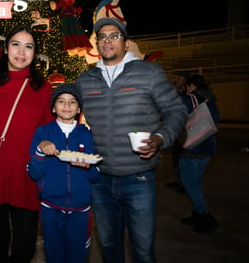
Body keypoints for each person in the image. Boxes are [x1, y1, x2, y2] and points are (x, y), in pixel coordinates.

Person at [75, 17, 188, 263]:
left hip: (139, 177)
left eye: (114, 36)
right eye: (102, 36)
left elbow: (177, 111)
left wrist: (160, 137)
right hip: (100, 179)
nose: (107, 41)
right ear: (96, 44)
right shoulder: (85, 80)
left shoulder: (149, 73)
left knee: (143, 249)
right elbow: (68, 118)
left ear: (126, 43)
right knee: (109, 246)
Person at [0, 26, 53, 263]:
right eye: (16, 44)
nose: (21, 51)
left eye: (29, 46)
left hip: (26, 176)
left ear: (35, 53)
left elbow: (48, 128)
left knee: (24, 249)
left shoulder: (42, 87)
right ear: (6, 48)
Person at [27, 83, 100, 263]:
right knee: (53, 254)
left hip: (80, 210)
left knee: (78, 256)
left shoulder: (87, 135)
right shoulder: (43, 133)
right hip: (50, 208)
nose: (66, 106)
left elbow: (96, 175)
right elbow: (34, 174)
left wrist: (88, 167)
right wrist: (39, 150)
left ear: (79, 109)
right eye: (61, 101)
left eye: (72, 102)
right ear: (53, 107)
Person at [179, 74, 219, 233]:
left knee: (189, 184)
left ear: (192, 86)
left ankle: (205, 216)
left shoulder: (190, 99)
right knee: (196, 183)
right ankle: (196, 213)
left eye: (187, 86)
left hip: (192, 147)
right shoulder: (211, 100)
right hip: (208, 147)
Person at [166, 71, 191, 193]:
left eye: (179, 77)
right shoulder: (176, 90)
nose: (176, 79)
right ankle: (178, 180)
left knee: (183, 158)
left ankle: (184, 183)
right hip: (176, 131)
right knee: (176, 157)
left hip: (185, 132)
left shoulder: (188, 94)